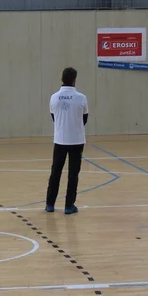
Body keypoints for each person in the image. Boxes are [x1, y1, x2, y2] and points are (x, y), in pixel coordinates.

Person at [46, 67, 89, 214]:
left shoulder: (54, 97)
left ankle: (50, 204)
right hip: (77, 140)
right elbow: (84, 119)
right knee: (73, 174)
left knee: (55, 172)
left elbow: (54, 117)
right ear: (74, 80)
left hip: (60, 140)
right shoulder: (81, 98)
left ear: (62, 79)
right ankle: (69, 206)